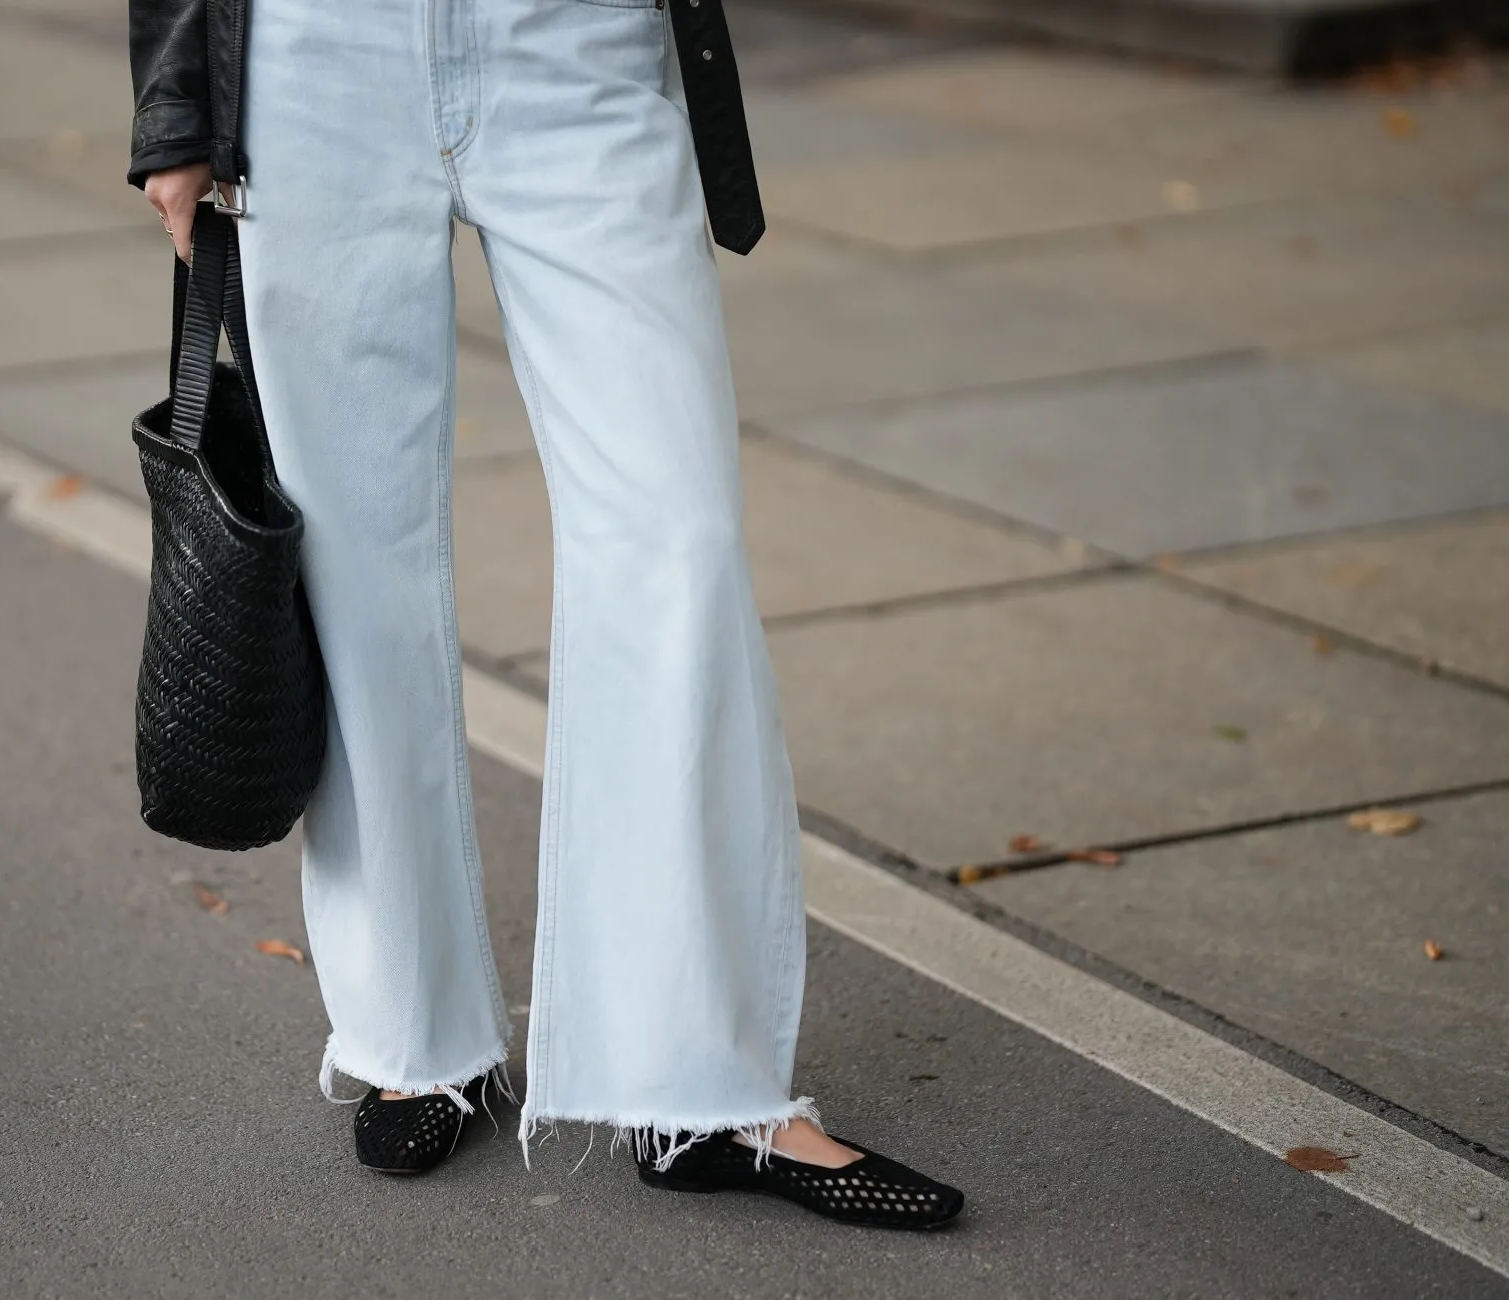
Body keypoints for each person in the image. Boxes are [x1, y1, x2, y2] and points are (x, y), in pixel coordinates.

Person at [127, 0, 963, 1229]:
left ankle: (700, 1084)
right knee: (355, 566)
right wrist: (174, 103)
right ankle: (417, 1036)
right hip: (318, 61)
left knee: (678, 534)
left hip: (576, 44)